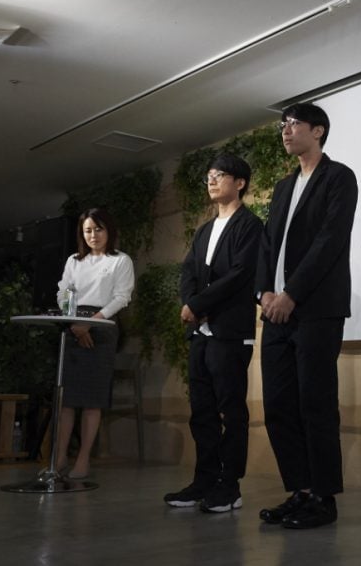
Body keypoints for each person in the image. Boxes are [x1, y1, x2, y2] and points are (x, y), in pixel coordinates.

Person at [255, 103, 358, 529]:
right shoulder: (283, 187)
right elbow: (268, 244)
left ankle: (323, 497)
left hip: (315, 309)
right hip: (275, 311)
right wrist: (264, 292)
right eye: (283, 124)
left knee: (315, 403)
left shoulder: (339, 177)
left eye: (294, 124)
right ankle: (299, 490)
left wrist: (292, 294)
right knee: (278, 404)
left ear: (318, 131)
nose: (286, 130)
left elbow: (329, 241)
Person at [163, 153, 263, 513]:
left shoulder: (250, 225)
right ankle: (204, 480)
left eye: (220, 175)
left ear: (240, 183)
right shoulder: (205, 229)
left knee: (230, 411)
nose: (212, 180)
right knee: (201, 410)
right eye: (210, 175)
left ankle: (230, 486)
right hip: (201, 332)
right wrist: (191, 303)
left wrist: (198, 304)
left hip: (230, 332)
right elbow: (188, 270)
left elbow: (239, 275)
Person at [55, 208, 135, 479]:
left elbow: (121, 298)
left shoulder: (120, 260)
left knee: (92, 399)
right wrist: (75, 323)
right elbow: (63, 292)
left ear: (109, 230)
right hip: (72, 324)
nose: (93, 235)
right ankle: (59, 458)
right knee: (67, 399)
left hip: (103, 327)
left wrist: (90, 324)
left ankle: (83, 460)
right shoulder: (74, 261)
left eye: (98, 229)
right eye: (88, 230)